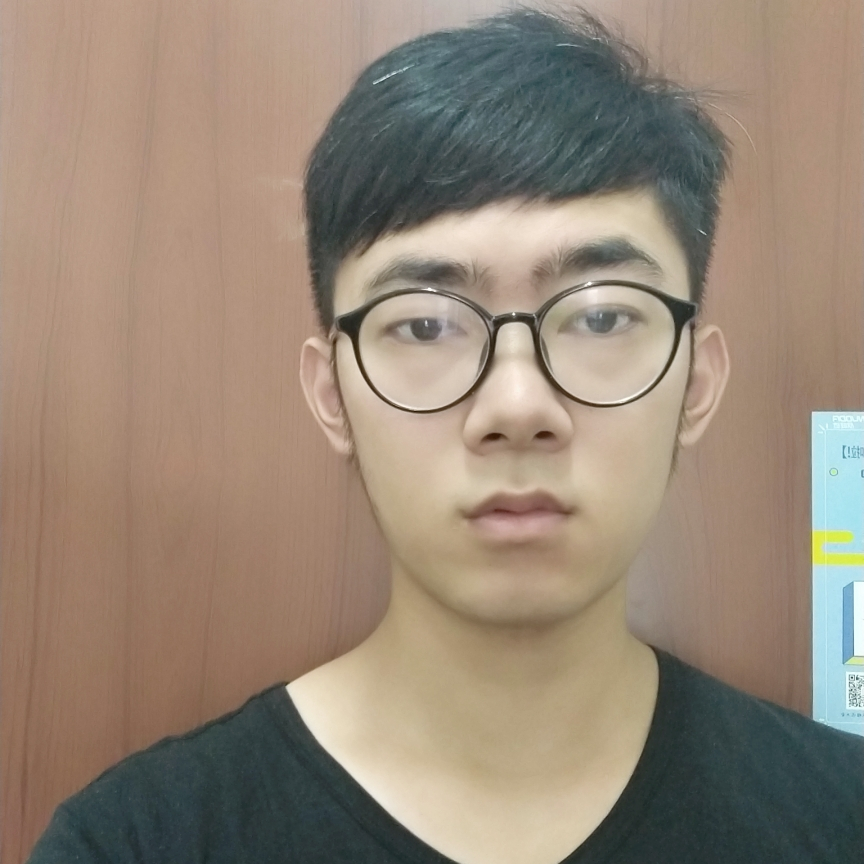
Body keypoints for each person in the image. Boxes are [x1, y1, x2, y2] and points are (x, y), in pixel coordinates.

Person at [27, 7, 864, 864]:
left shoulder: (841, 819)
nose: (517, 406)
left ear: (698, 383)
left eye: (601, 315)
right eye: (425, 325)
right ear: (330, 394)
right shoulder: (136, 844)